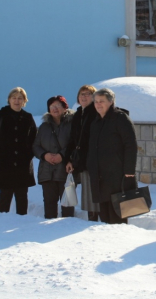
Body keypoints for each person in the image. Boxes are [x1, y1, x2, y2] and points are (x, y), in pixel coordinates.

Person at [86, 88, 138, 225]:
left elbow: (131, 145)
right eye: (96, 101)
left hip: (117, 175)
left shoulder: (120, 118)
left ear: (111, 102)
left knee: (118, 215)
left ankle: (119, 243)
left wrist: (129, 171)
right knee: (104, 217)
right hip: (100, 177)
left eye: (101, 101)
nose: (98, 104)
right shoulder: (95, 122)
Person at [0, 87, 37, 215]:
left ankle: (22, 224)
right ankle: (2, 224)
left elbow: (34, 139)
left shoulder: (28, 117)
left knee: (22, 197)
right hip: (4, 164)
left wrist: (28, 155)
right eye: (14, 98)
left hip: (22, 165)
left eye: (20, 98)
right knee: (4, 196)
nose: (17, 101)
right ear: (9, 100)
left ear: (24, 101)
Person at [33, 95, 75, 219]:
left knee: (68, 206)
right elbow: (35, 146)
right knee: (49, 207)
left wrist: (62, 156)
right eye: (52, 106)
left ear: (65, 108)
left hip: (66, 172)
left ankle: (66, 232)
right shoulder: (44, 126)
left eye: (58, 106)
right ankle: (48, 231)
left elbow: (75, 144)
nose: (55, 109)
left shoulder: (72, 125)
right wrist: (44, 155)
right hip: (47, 172)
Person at [66, 85, 100, 221]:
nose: (84, 97)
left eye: (87, 94)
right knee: (86, 193)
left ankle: (96, 221)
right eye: (81, 94)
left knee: (93, 193)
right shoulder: (78, 113)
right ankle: (91, 219)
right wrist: (68, 159)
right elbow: (72, 139)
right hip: (80, 160)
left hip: (93, 160)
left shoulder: (96, 113)